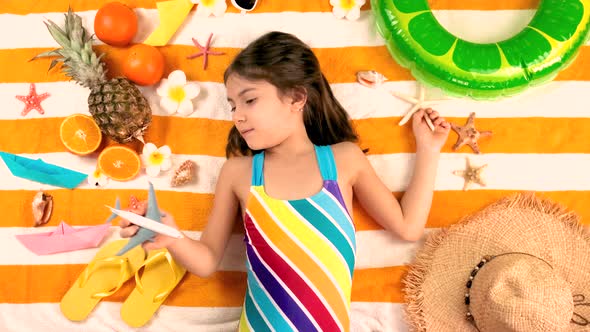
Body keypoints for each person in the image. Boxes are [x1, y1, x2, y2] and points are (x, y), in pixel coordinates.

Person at [120, 31, 450, 331]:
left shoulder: (343, 160)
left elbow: (408, 227)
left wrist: (429, 148)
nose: (237, 115)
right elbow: (206, 261)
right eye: (232, 105)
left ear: (296, 98)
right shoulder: (240, 173)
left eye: (249, 100)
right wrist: (168, 234)